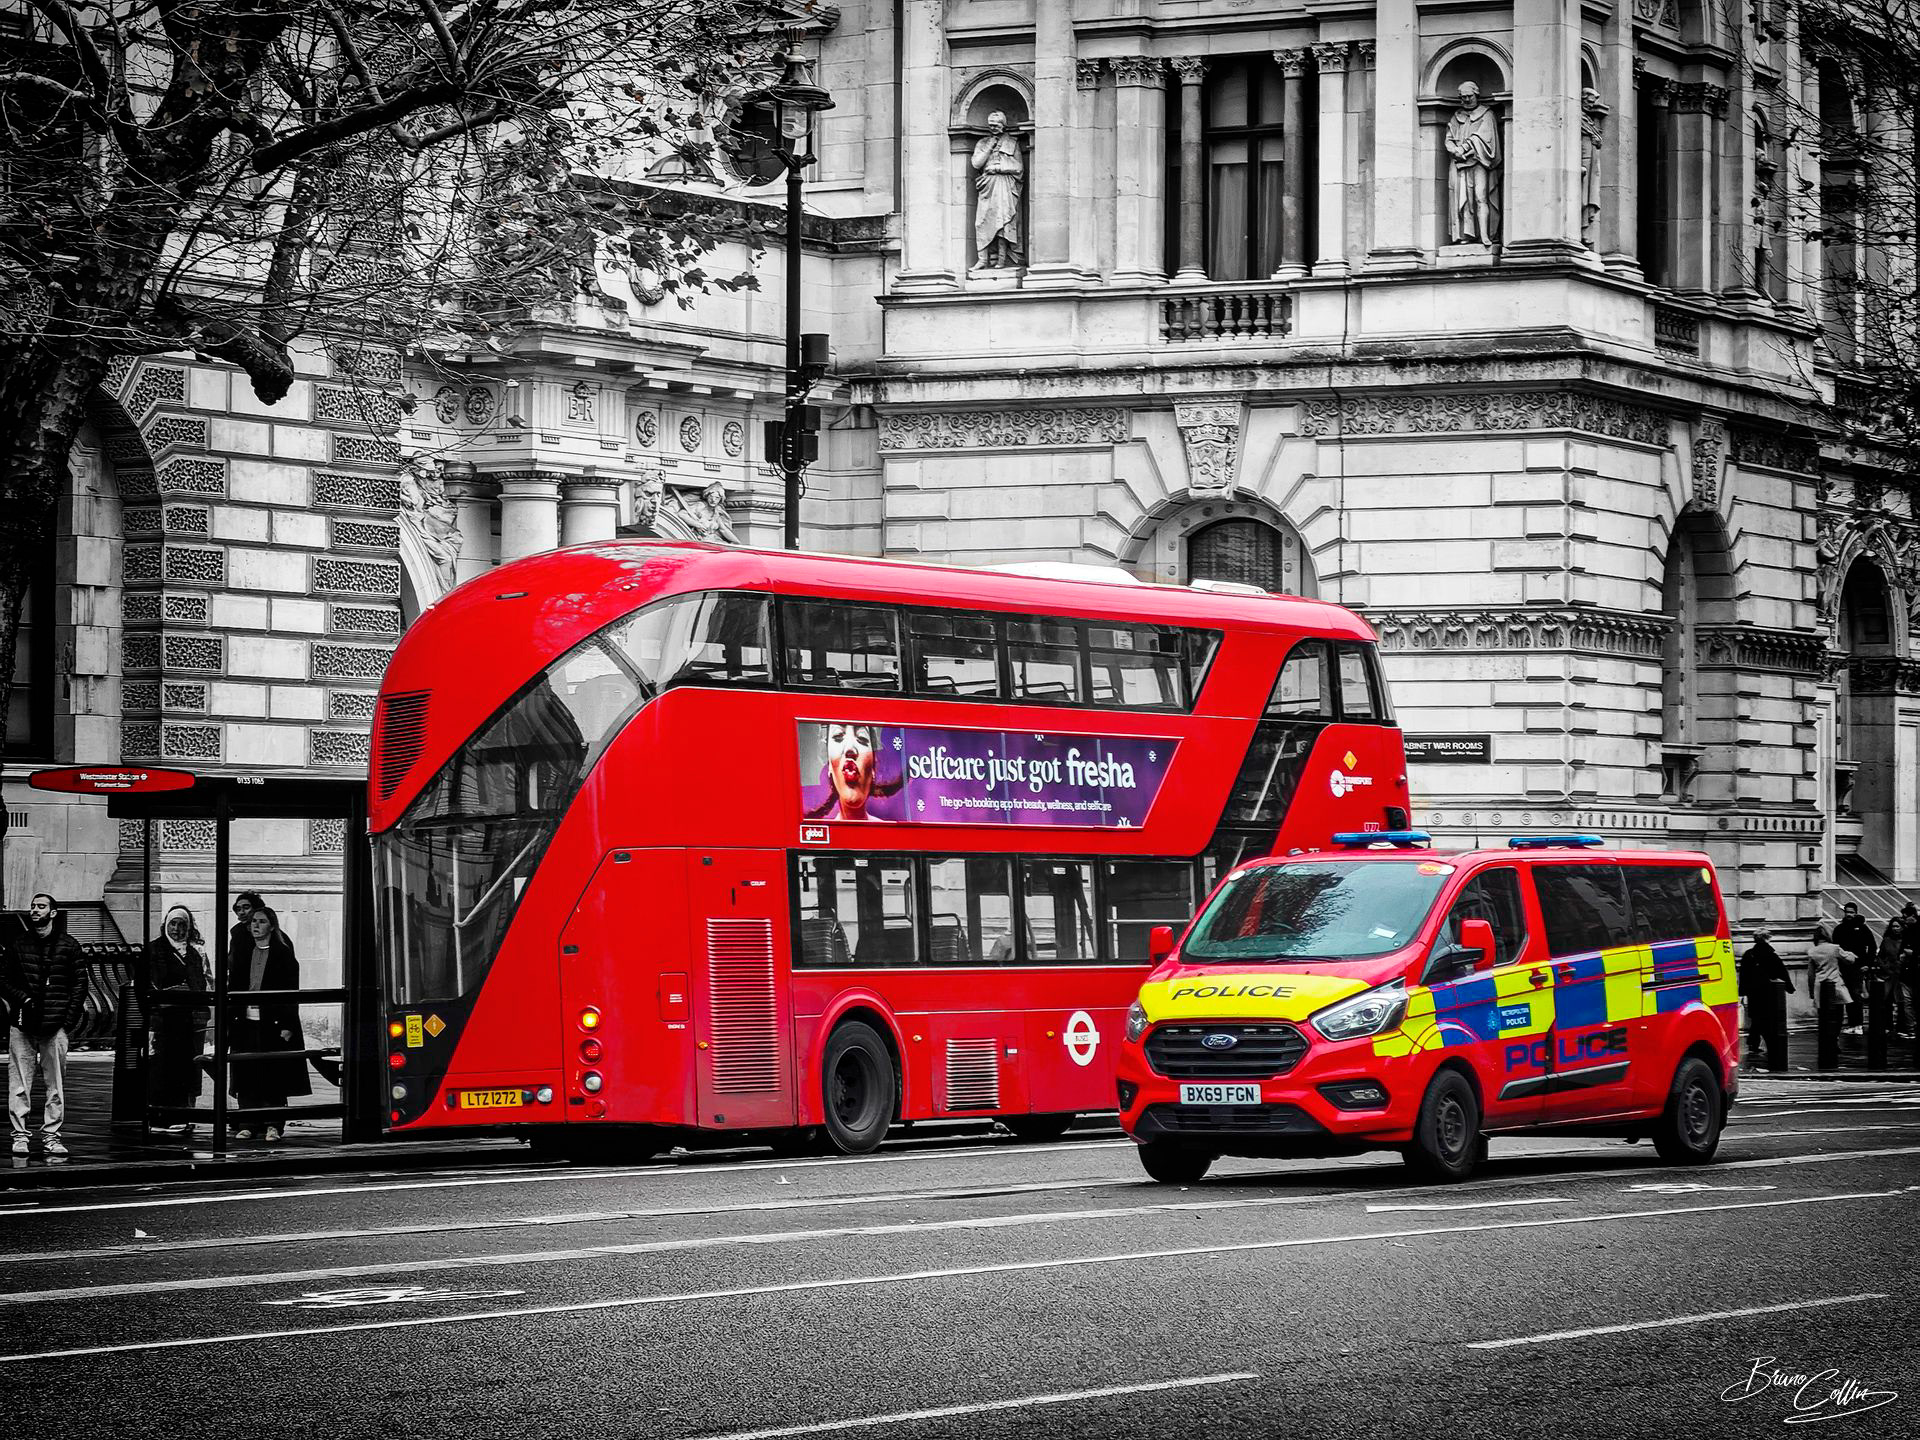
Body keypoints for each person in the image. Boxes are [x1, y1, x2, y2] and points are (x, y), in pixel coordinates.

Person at [2, 894, 87, 1157]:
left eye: (41, 907)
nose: (35, 910)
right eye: (33, 906)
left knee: (55, 1085)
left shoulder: (69, 946)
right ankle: (20, 1136)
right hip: (23, 1023)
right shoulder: (19, 944)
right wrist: (24, 1000)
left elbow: (79, 986)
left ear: (53, 913)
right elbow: (3, 980)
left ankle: (51, 1136)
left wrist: (66, 1022)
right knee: (19, 1084)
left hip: (54, 1024)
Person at [225, 905, 309, 1142]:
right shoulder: (244, 952)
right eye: (253, 921)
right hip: (245, 1022)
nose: (255, 925)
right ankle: (248, 1122)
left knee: (273, 1074)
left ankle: (273, 1124)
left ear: (272, 926)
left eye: (261, 921)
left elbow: (291, 992)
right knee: (246, 1073)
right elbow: (235, 985)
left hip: (272, 1023)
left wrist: (287, 1025)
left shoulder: (283, 954)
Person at [141, 905, 212, 1132]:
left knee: (184, 1069)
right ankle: (159, 1117)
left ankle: (181, 1115)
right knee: (160, 1069)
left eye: (182, 924)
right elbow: (145, 984)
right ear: (166, 925)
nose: (177, 929)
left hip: (187, 1020)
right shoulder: (154, 950)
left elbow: (201, 983)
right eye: (173, 923)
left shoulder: (194, 953)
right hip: (161, 1020)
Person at [1445, 82, 1503, 245]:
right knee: (1463, 201)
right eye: (1463, 97)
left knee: (1480, 197)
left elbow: (1483, 136)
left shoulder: (1487, 114)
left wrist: (1463, 148)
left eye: (1469, 96)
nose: (1466, 100)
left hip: (1479, 162)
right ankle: (1467, 235)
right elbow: (1449, 138)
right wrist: (1454, 150)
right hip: (1460, 163)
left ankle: (1485, 235)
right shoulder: (1456, 116)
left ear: (1476, 95)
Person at [806, 722, 898, 822]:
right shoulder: (817, 829)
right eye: (838, 736)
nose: (850, 748)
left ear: (873, 767)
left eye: (862, 738)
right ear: (830, 766)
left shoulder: (890, 830)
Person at [970, 110, 1025, 270]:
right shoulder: (982, 143)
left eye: (996, 125)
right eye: (991, 125)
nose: (993, 128)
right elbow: (976, 163)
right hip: (986, 186)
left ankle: (1001, 259)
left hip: (1004, 185)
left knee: (1003, 222)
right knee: (981, 222)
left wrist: (999, 168)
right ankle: (982, 260)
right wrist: (989, 146)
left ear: (1003, 125)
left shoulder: (1012, 143)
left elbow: (1019, 167)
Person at [1737, 927, 1791, 1072]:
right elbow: (1781, 971)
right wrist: (1789, 987)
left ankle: (1753, 1042)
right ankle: (1764, 1043)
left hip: (1753, 991)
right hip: (1769, 991)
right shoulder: (1770, 954)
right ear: (1767, 938)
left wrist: (1742, 991)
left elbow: (1743, 974)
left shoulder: (1749, 954)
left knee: (1756, 1017)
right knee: (1767, 1018)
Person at [1807, 924, 1854, 1071]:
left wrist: (1811, 992)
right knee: (1838, 1016)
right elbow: (1850, 960)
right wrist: (1851, 954)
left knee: (1823, 1017)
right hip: (1835, 985)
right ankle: (1834, 1039)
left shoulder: (1812, 951)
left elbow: (1810, 974)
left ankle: (1827, 1041)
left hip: (1820, 986)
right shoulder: (1835, 948)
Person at [1833, 902, 1876, 1031]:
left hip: (1858, 967)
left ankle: (1857, 1024)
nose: (1849, 914)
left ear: (1856, 913)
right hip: (1843, 967)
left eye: (1851, 912)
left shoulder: (1863, 928)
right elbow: (1836, 948)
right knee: (1846, 995)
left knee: (1855, 995)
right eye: (1847, 912)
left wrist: (1867, 964)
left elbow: (1872, 946)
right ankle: (1852, 1024)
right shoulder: (1839, 929)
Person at [228, 891, 265, 967]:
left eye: (246, 908)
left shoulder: (269, 931)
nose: (241, 912)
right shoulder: (237, 932)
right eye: (238, 909)